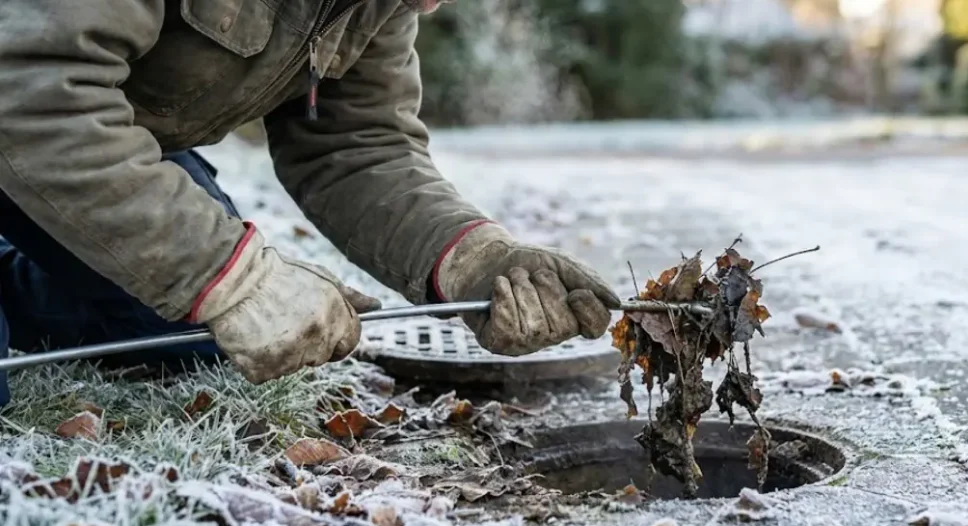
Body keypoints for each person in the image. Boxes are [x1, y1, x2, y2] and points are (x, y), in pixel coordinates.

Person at [0, 0, 619, 407]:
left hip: (81, 148)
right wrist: (229, 275)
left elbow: (357, 142)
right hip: (37, 113)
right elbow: (28, 91)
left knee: (194, 337)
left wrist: (472, 258)